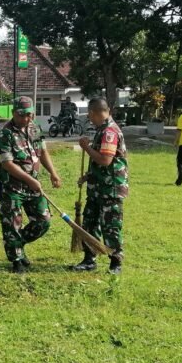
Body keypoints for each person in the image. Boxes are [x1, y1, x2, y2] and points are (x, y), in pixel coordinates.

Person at [0, 96, 62, 273]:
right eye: (22, 115)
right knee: (12, 223)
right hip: (12, 186)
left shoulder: (34, 128)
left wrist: (53, 173)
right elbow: (7, 164)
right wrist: (30, 180)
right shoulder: (5, 134)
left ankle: (18, 243)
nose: (26, 119)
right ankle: (16, 260)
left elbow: (43, 152)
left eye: (29, 115)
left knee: (43, 221)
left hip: (33, 186)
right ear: (13, 113)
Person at [72, 97, 129, 274]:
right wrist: (88, 176)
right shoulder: (102, 130)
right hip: (97, 188)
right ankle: (89, 259)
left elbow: (105, 160)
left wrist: (86, 147)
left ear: (93, 113)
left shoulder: (109, 131)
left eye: (89, 116)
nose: (89, 119)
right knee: (90, 223)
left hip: (110, 190)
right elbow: (102, 164)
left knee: (110, 227)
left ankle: (115, 263)